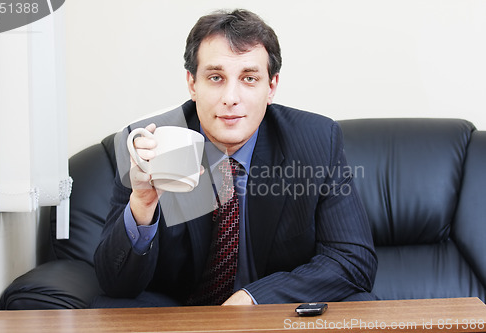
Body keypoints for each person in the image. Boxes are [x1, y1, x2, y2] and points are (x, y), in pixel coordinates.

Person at [92, 8, 377, 308]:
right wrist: (142, 204)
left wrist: (253, 299)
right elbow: (114, 283)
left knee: (360, 303)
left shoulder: (316, 141)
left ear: (272, 86)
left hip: (274, 315)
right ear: (192, 84)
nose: (231, 97)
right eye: (215, 77)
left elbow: (352, 260)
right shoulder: (147, 144)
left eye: (249, 78)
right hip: (181, 317)